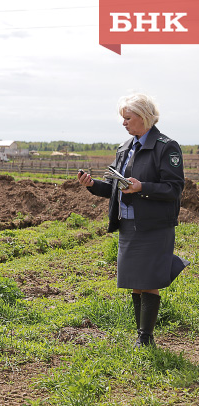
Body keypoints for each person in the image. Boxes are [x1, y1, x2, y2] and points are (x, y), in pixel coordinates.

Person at [77, 93, 189, 347]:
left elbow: (174, 189)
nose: (124, 123)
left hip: (154, 226)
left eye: (127, 118)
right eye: (122, 118)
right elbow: (115, 189)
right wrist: (93, 185)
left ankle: (146, 338)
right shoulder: (125, 148)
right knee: (136, 283)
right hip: (128, 226)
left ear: (144, 116)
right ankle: (142, 336)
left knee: (148, 281)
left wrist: (142, 187)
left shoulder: (166, 147)